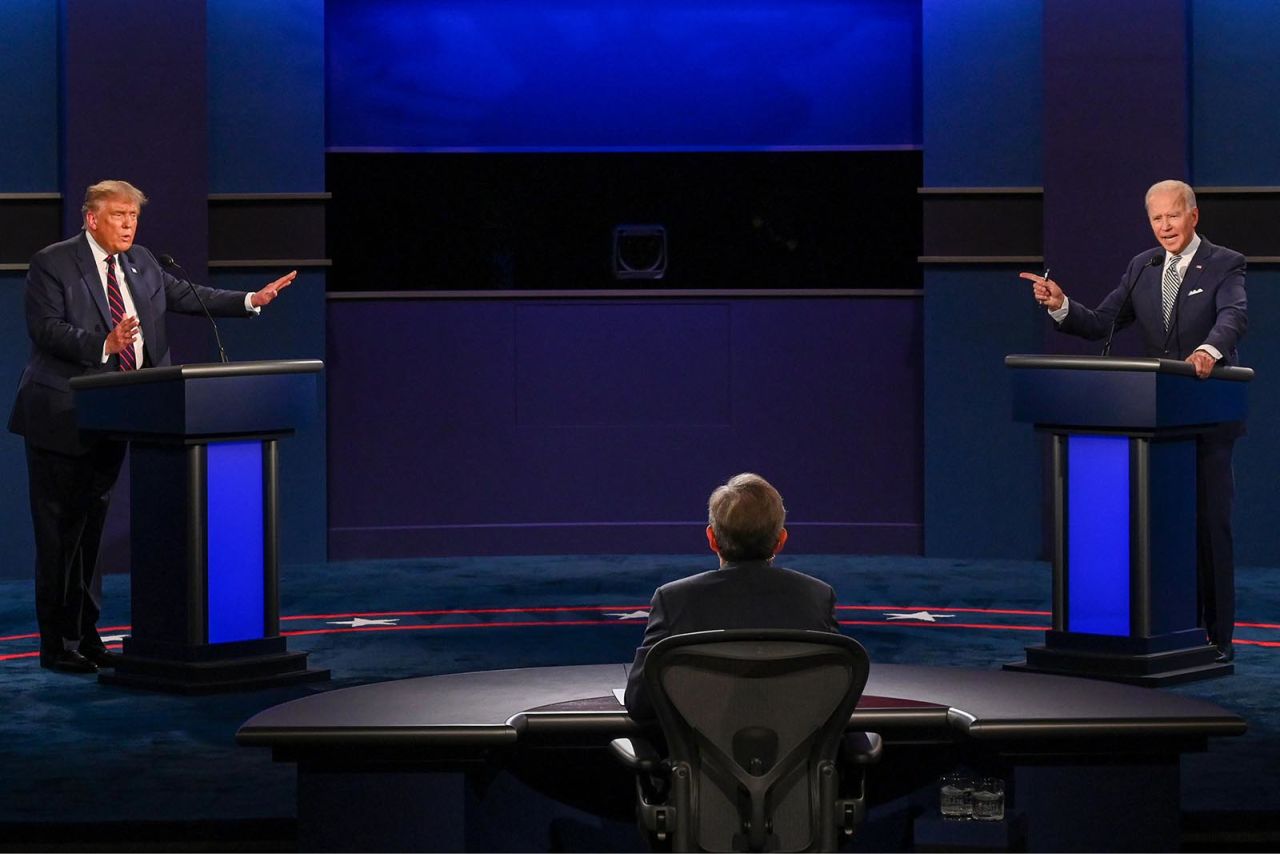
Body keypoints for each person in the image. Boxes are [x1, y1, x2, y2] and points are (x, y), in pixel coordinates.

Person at [9, 179, 296, 675]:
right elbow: (46, 328)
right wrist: (105, 342)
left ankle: (88, 635)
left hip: (120, 413)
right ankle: (57, 644)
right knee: (61, 536)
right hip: (61, 418)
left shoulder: (141, 261)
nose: (127, 224)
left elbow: (189, 295)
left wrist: (251, 299)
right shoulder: (52, 262)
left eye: (133, 216)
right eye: (118, 215)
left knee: (93, 535)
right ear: (91, 218)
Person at [1020, 179, 1247, 662]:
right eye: (1155, 218)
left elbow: (1233, 317)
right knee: (1156, 528)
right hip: (1154, 419)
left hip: (1204, 417)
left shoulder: (1226, 263)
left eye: (1172, 216)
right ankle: (1165, 626)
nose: (1164, 226)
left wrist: (1210, 349)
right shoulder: (1142, 267)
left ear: (1193, 215)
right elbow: (1103, 321)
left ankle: (1218, 636)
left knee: (1209, 525)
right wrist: (1060, 304)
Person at [624, 473, 840, 720]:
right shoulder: (817, 596)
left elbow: (640, 703)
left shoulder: (674, 599)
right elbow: (833, 695)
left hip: (700, 757)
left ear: (712, 539)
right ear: (780, 541)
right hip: (796, 754)